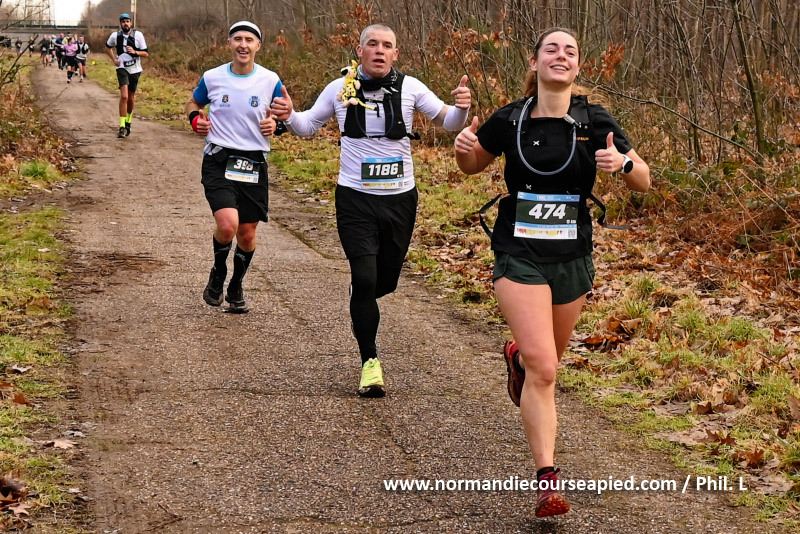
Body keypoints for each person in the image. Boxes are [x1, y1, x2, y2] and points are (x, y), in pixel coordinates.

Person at [454, 27, 650, 517]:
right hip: (518, 251)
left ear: (578, 66)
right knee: (546, 369)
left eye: (570, 51)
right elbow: (473, 164)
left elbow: (644, 180)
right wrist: (463, 147)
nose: (561, 56)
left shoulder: (594, 119)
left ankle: (517, 358)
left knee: (542, 363)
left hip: (572, 257)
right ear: (535, 61)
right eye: (551, 49)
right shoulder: (511, 117)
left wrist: (623, 165)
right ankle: (547, 480)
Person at [271, 23, 471, 398]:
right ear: (359, 51)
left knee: (385, 282)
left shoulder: (411, 88)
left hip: (399, 199)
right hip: (355, 199)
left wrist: (462, 108)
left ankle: (361, 294)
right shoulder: (339, 88)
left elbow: (448, 122)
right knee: (365, 279)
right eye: (372, 44)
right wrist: (288, 114)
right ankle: (370, 363)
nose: (379, 50)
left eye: (387, 45)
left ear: (395, 54)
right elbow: (307, 126)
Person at [186, 21, 283, 314]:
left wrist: (276, 125)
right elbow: (193, 103)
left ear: (258, 46)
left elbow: (286, 115)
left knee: (247, 234)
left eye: (249, 40)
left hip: (253, 162)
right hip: (219, 159)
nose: (243, 44)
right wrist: (195, 120)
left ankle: (236, 284)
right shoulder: (213, 77)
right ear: (229, 43)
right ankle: (218, 271)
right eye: (237, 39)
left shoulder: (270, 80)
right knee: (228, 225)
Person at [105, 13, 148, 138]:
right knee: (124, 96)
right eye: (123, 21)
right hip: (122, 68)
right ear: (120, 24)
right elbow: (107, 48)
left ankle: (128, 121)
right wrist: (114, 59)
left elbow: (146, 53)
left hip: (135, 69)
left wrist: (135, 52)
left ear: (131, 23)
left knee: (130, 97)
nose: (125, 23)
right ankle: (122, 126)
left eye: (127, 21)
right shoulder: (115, 36)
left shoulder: (138, 35)